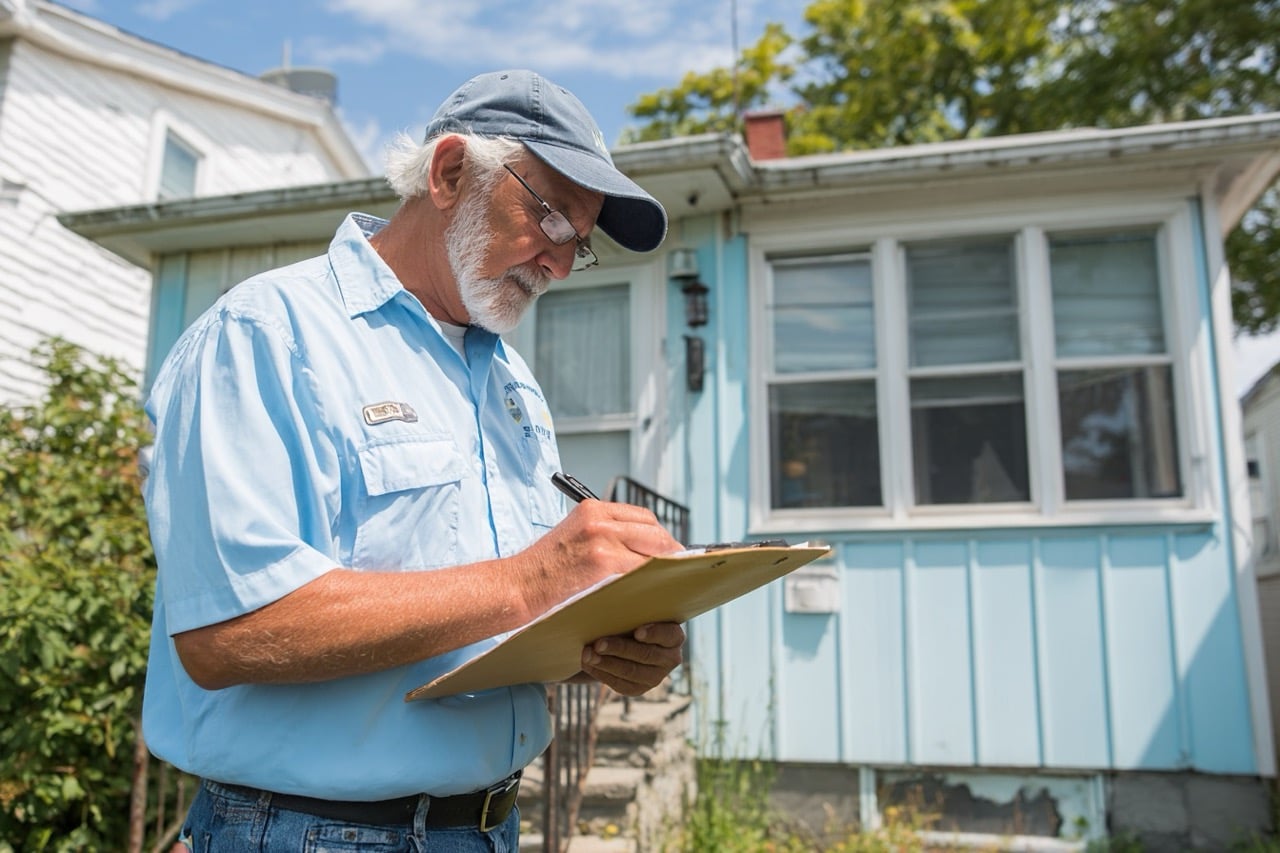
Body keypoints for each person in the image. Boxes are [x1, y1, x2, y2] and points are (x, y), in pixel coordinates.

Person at [141, 69, 686, 852]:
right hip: (306, 831)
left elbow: (487, 615)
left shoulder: (511, 383)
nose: (561, 264)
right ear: (449, 173)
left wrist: (606, 646)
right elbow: (228, 631)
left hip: (491, 826)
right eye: (553, 219)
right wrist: (535, 576)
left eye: (582, 241)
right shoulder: (266, 334)